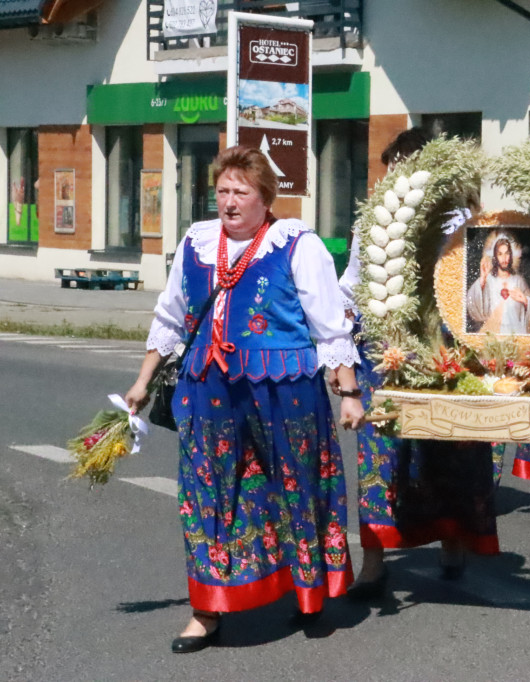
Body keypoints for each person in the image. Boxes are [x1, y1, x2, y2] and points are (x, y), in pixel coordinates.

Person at [125, 146, 362, 652]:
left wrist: (349, 392)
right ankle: (207, 610)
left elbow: (329, 325)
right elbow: (170, 317)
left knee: (296, 486)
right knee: (207, 494)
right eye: (223, 191)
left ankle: (309, 593)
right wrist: (143, 382)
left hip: (283, 389)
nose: (229, 202)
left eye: (241, 192)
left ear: (264, 197)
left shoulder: (297, 242)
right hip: (207, 388)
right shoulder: (196, 241)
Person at [339, 132, 499, 600]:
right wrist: (341, 351)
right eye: (392, 170)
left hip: (444, 344)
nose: (396, 179)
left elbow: (482, 288)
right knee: (380, 453)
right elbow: (350, 287)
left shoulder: (464, 219)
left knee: (449, 447)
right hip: (384, 347)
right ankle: (373, 558)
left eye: (404, 168)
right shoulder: (376, 222)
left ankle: (452, 538)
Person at [466, 232, 530, 334]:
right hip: (493, 334)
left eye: (507, 253)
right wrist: (482, 279)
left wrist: (526, 301)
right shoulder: (488, 280)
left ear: (511, 255)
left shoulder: (518, 280)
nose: (504, 258)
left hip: (516, 333)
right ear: (495, 257)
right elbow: (473, 304)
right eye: (500, 254)